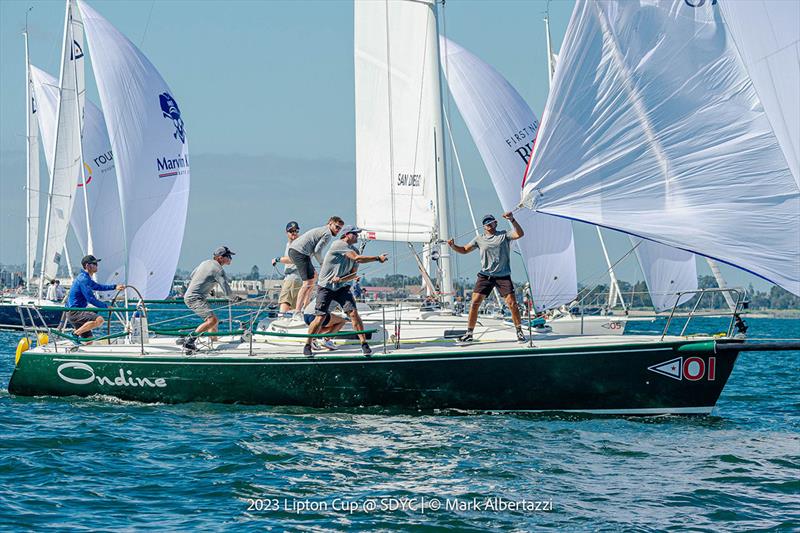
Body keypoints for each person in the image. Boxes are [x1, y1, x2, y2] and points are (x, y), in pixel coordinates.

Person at [304, 225, 388, 357]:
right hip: (326, 287)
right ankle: (308, 345)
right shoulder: (339, 244)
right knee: (320, 317)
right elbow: (357, 258)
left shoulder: (354, 250)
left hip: (341, 287)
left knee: (353, 313)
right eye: (355, 234)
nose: (357, 236)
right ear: (347, 234)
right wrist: (378, 258)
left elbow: (353, 275)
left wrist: (341, 279)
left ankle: (364, 344)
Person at [448, 212, 526, 343]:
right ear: (484, 226)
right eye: (486, 222)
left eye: (491, 221)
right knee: (474, 303)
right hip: (486, 275)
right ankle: (469, 333)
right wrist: (453, 246)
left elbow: (519, 234)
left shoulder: (504, 235)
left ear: (495, 223)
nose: (489, 224)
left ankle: (519, 331)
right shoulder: (479, 239)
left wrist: (512, 219)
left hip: (503, 275)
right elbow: (464, 250)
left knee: (512, 303)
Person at [181, 246, 239, 353]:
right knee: (213, 320)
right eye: (229, 256)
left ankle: (213, 340)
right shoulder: (218, 270)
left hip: (193, 296)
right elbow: (226, 290)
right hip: (195, 298)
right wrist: (236, 299)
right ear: (220, 258)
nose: (231, 258)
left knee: (213, 320)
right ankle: (189, 341)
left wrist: (208, 287)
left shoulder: (205, 262)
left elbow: (192, 275)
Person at [288, 216, 344, 319]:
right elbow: (317, 251)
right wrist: (323, 264)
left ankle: (305, 308)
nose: (338, 230)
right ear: (330, 223)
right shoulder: (327, 234)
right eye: (336, 227)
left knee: (313, 278)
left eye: (340, 228)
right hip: (300, 252)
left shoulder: (323, 230)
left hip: (297, 251)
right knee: (307, 282)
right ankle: (297, 312)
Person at [66, 255, 125, 342]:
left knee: (89, 341)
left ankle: (78, 349)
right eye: (94, 263)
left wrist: (115, 286)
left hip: (76, 312)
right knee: (99, 320)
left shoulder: (85, 278)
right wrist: (105, 307)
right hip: (75, 312)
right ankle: (74, 334)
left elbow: (98, 286)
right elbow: (90, 299)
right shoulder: (83, 279)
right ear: (87, 266)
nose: (97, 265)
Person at [271, 221, 303, 315]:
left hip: (292, 278)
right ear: (286, 232)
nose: (294, 233)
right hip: (297, 278)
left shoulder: (297, 244)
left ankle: (281, 318)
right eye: (291, 231)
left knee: (285, 300)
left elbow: (293, 259)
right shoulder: (290, 244)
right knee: (294, 305)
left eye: (296, 231)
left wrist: (277, 259)